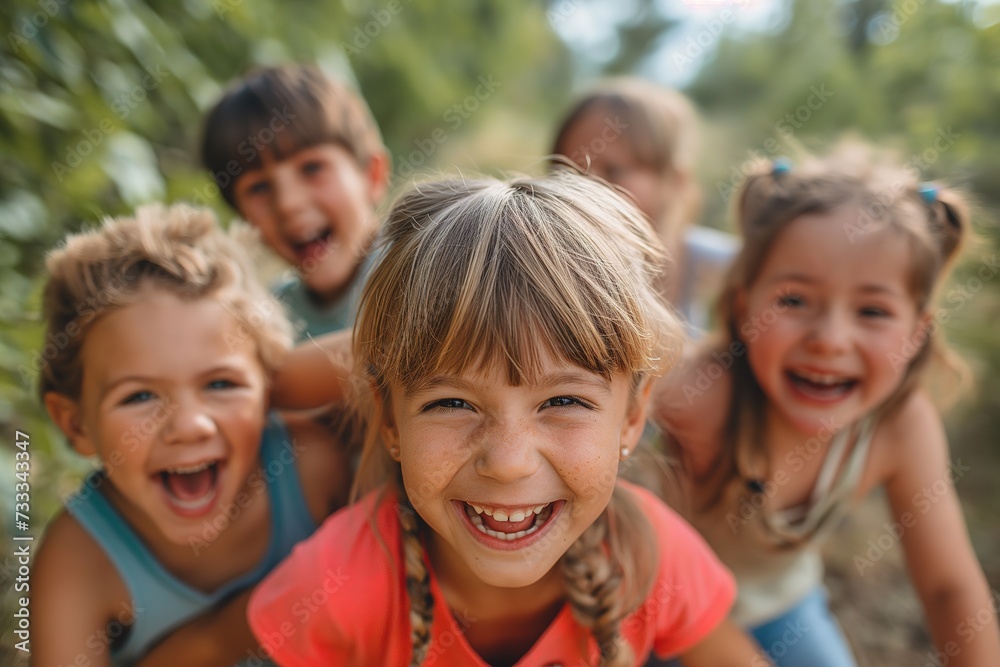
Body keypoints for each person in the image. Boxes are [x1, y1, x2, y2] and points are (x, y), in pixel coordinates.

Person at [247, 172, 769, 666]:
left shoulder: (652, 555)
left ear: (633, 416)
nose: (509, 463)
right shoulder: (334, 583)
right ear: (389, 419)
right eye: (452, 403)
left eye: (563, 402)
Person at [650, 148, 1000, 666]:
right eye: (794, 301)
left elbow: (950, 588)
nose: (830, 340)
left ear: (917, 331)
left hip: (781, 609)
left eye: (873, 311)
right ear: (745, 307)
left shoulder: (900, 427)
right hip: (658, 606)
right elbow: (619, 538)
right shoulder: (700, 396)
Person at [31, 204, 353, 666]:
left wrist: (266, 384)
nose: (191, 426)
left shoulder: (311, 468)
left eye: (221, 384)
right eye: (139, 396)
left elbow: (421, 350)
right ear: (77, 425)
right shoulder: (78, 563)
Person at [201, 63, 390, 340]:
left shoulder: (426, 264)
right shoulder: (271, 323)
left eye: (312, 168)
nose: (288, 204)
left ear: (372, 176)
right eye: (259, 187)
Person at [551, 77, 738, 333]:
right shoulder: (547, 261)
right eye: (569, 168)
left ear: (674, 181)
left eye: (614, 170)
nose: (585, 186)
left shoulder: (709, 261)